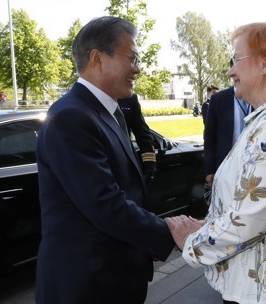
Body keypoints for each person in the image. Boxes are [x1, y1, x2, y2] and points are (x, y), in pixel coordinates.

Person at [166, 22, 266, 303]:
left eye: (236, 60)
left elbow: (250, 219)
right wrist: (208, 227)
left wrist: (192, 242)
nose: (230, 71)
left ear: (265, 63)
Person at [35, 16, 178, 304]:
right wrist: (170, 232)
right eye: (133, 58)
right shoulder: (70, 117)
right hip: (85, 287)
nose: (138, 69)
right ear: (98, 59)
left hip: (113, 277)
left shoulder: (107, 112)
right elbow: (104, 203)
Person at [203, 84, 251, 186]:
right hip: (225, 167)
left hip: (253, 167)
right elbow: (209, 137)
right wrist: (209, 170)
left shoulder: (260, 97)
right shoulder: (218, 99)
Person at [118, 94, 156, 182]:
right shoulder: (88, 96)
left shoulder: (130, 99)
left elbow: (143, 134)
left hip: (126, 170)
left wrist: (149, 170)